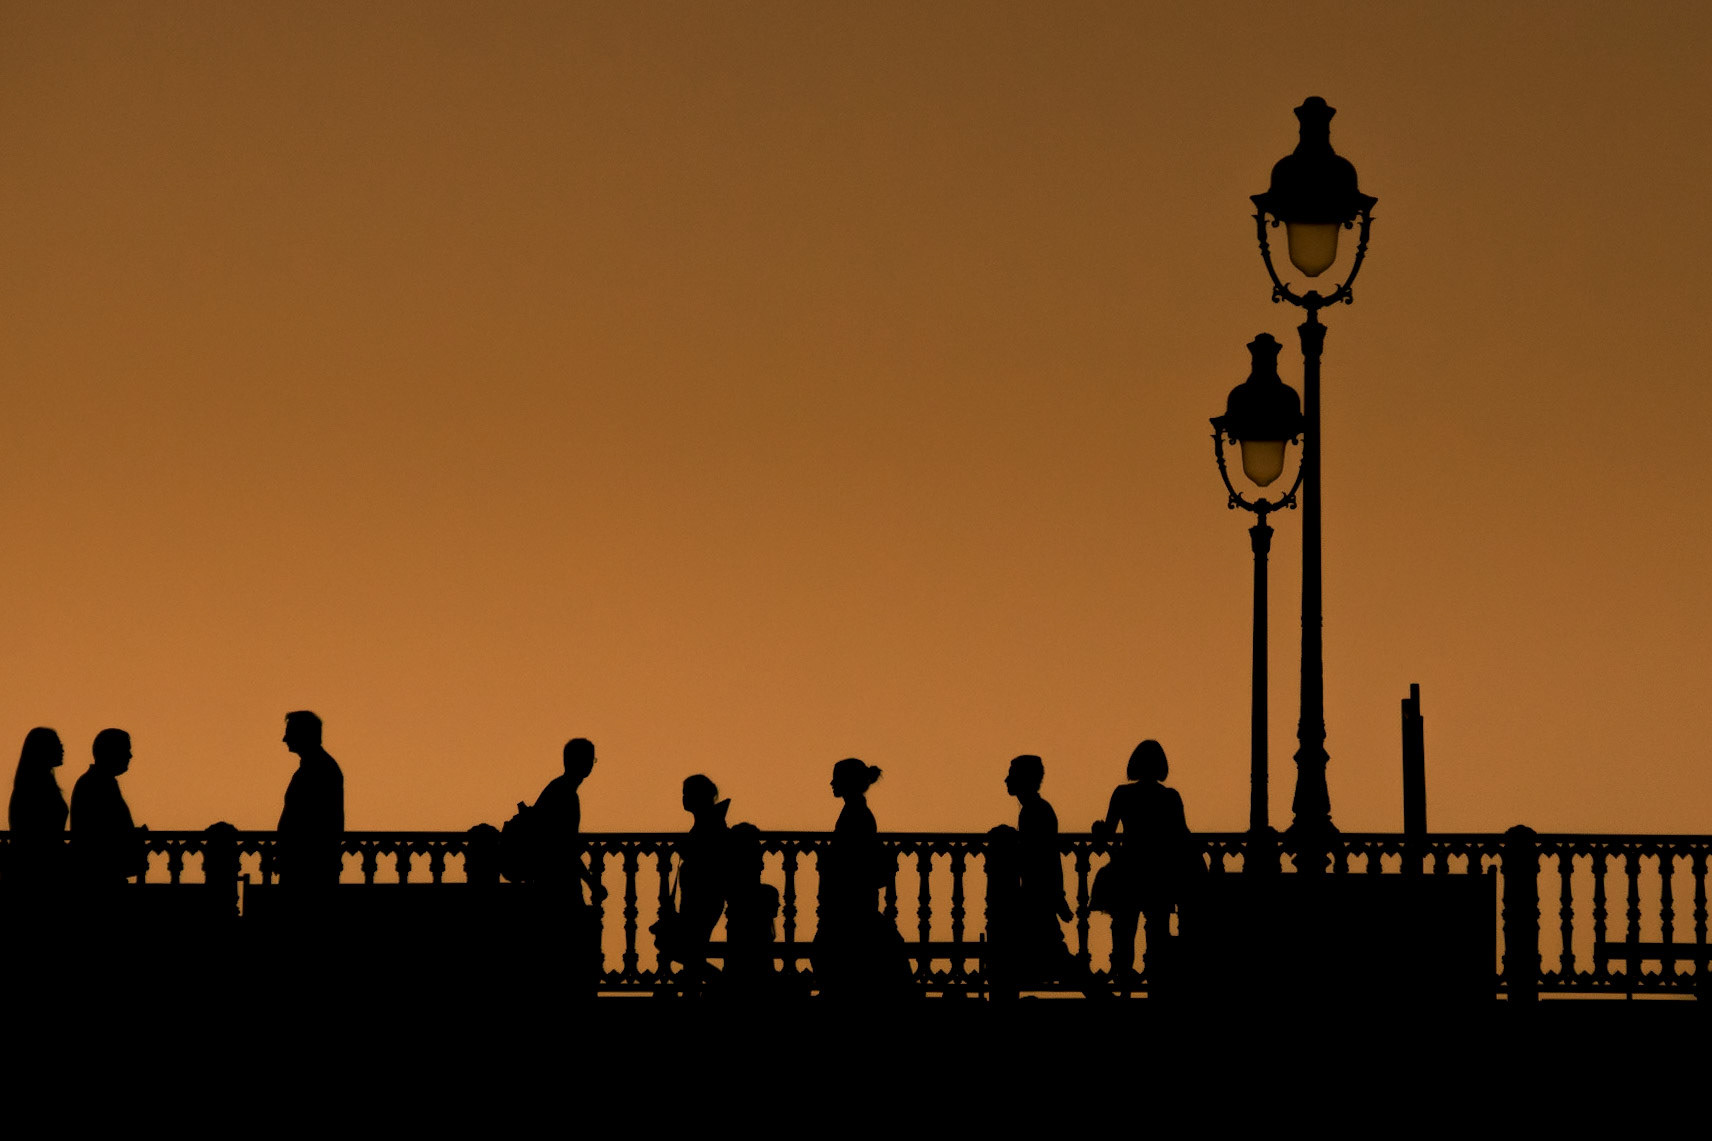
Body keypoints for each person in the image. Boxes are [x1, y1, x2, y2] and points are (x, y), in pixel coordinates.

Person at [994, 754, 1103, 998]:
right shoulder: (1036, 809)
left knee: (1053, 957)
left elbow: (1041, 857)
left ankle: (1101, 995)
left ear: (1025, 779)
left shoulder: (1034, 811)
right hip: (1040, 894)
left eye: (1012, 775)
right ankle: (1100, 994)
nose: (1006, 780)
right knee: (1052, 956)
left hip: (1038, 895)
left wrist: (1054, 896)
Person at [1091, 739, 1194, 987]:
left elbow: (1107, 833)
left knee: (1124, 929)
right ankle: (1156, 983)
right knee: (1157, 932)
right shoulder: (1170, 797)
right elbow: (1182, 835)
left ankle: (1124, 981)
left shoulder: (1123, 794)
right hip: (1158, 872)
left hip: (1127, 869)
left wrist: (1098, 830)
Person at [813, 758, 911, 999]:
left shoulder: (855, 814)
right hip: (858, 902)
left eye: (836, 778)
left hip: (852, 903)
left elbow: (852, 856)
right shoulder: (857, 811)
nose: (831, 783)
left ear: (847, 782)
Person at [525, 737, 605, 996]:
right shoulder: (566, 795)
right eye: (590, 759)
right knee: (570, 942)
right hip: (559, 882)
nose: (591, 765)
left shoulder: (557, 789)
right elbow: (564, 846)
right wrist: (591, 881)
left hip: (549, 879)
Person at [668, 774, 731, 992]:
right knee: (692, 952)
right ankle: (698, 986)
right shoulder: (709, 821)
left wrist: (687, 850)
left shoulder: (711, 824)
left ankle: (722, 985)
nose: (683, 798)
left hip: (703, 899)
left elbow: (708, 857)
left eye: (687, 793)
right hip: (698, 898)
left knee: (689, 951)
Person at [276, 711, 344, 888]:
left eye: (290, 733)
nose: (284, 739)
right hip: (303, 861)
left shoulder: (321, 769)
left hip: (307, 864)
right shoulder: (319, 767)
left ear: (303, 734)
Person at [70, 728, 146, 886]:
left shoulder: (98, 781)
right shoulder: (97, 783)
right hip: (101, 875)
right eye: (126, 750)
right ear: (112, 752)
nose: (130, 756)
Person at [7, 727, 68, 885]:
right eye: (57, 745)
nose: (62, 749)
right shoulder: (36, 787)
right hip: (42, 866)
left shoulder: (30, 784)